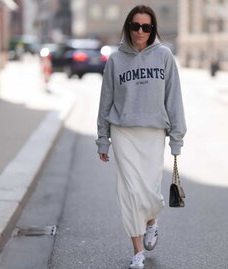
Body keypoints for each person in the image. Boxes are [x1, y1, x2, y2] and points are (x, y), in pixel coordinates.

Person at [96, 5, 186, 269]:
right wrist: (103, 138)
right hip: (123, 132)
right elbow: (105, 102)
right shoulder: (115, 59)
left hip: (153, 133)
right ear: (128, 27)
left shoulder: (164, 56)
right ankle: (137, 252)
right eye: (136, 26)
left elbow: (174, 99)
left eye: (146, 27)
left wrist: (177, 139)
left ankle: (152, 220)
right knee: (129, 191)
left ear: (153, 29)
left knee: (147, 191)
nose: (140, 32)